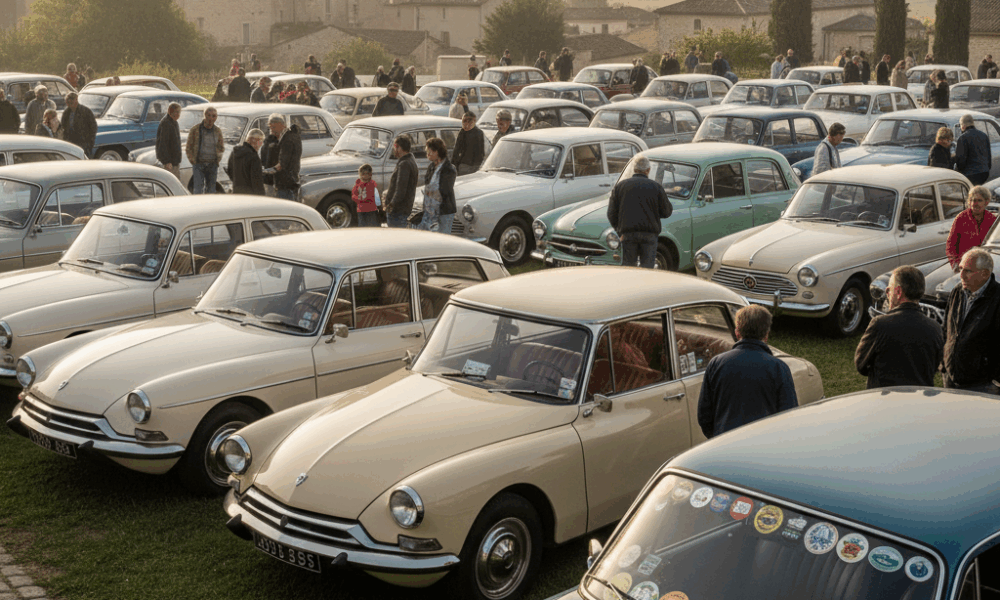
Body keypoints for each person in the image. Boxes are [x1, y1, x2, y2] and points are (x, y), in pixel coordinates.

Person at [697, 305, 797, 439]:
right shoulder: (779, 368)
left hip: (724, 444)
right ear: (766, 335)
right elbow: (788, 416)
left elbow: (704, 415)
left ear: (737, 332)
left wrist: (717, 437)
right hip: (763, 447)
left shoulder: (716, 364)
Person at [855, 266, 943, 388]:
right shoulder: (935, 328)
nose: (887, 294)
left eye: (888, 290)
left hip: (885, 399)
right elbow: (935, 367)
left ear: (898, 292)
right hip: (919, 401)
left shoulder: (880, 324)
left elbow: (861, 365)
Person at [942, 248, 1000, 393]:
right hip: (950, 378)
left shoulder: (997, 299)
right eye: (960, 268)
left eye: (967, 270)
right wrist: (943, 364)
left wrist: (996, 380)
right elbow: (946, 329)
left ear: (985, 274)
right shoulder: (957, 292)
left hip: (982, 385)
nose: (961, 275)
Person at [606, 154, 672, 269]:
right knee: (647, 270)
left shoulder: (620, 187)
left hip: (627, 235)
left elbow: (611, 213)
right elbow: (667, 212)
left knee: (629, 270)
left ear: (634, 169)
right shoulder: (656, 187)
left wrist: (619, 231)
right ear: (648, 170)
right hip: (649, 236)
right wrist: (654, 213)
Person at [946, 186, 997, 269]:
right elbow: (951, 245)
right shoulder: (961, 218)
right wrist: (955, 263)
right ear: (969, 202)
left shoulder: (992, 219)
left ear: (986, 202)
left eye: (979, 200)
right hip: (964, 266)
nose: (975, 204)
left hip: (985, 266)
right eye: (973, 200)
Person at [418, 137, 457, 232]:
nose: (428, 154)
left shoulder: (449, 169)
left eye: (430, 151)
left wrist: (431, 193)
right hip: (430, 211)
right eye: (427, 151)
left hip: (444, 211)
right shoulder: (431, 167)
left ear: (438, 152)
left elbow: (445, 190)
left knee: (443, 239)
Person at [185, 106, 224, 194]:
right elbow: (188, 147)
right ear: (205, 115)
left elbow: (221, 147)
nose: (211, 118)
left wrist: (217, 159)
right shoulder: (195, 129)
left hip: (212, 165)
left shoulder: (217, 131)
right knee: (198, 190)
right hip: (199, 164)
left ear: (216, 117)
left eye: (213, 116)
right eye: (209, 115)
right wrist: (193, 161)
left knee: (211, 191)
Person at [383, 135, 419, 228]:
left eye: (395, 146)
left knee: (396, 239)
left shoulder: (405, 164)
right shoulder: (409, 160)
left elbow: (400, 191)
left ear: (399, 148)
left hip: (398, 211)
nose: (393, 149)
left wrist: (390, 206)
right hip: (402, 209)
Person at [268, 114, 301, 200]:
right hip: (292, 179)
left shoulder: (287, 140)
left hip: (286, 182)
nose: (271, 131)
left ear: (281, 125)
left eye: (273, 128)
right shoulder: (293, 136)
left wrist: (266, 171)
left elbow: (282, 164)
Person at [225, 128, 265, 195]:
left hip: (237, 192)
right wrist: (262, 196)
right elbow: (257, 181)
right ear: (252, 140)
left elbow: (230, 171)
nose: (261, 144)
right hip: (250, 195)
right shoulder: (253, 157)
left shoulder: (234, 153)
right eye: (261, 141)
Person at [955, 114, 991, 184]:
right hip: (984, 172)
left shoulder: (963, 138)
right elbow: (988, 156)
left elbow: (961, 159)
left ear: (963, 126)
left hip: (970, 173)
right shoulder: (984, 135)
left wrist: (959, 171)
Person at [61, 92, 97, 156]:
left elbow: (93, 128)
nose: (70, 102)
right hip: (70, 143)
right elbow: (63, 127)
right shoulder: (66, 113)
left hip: (83, 144)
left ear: (76, 100)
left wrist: (89, 144)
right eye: (68, 101)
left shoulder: (85, 111)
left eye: (72, 100)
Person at [156, 102, 182, 179]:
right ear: (173, 113)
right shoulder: (166, 123)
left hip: (175, 161)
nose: (179, 115)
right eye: (178, 112)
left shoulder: (174, 122)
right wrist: (166, 161)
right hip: (170, 163)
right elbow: (163, 144)